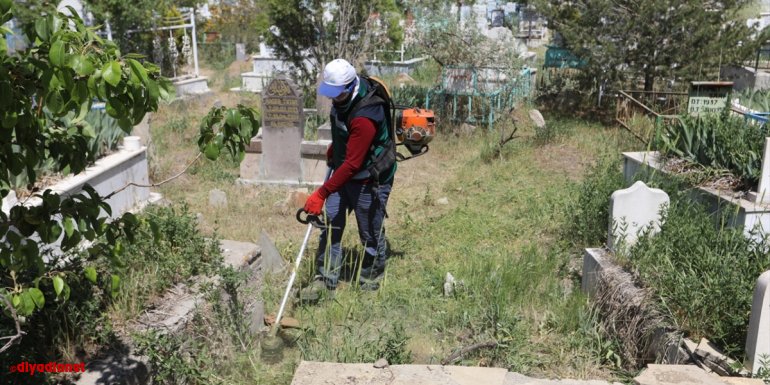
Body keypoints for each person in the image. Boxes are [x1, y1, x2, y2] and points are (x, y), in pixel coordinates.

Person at [301, 58, 396, 298]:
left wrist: (322, 192)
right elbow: (343, 128)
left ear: (351, 86)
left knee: (370, 232)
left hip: (369, 178)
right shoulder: (343, 98)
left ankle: (369, 280)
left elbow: (353, 164)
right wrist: (337, 146)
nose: (334, 99)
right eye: (331, 93)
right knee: (331, 225)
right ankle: (325, 279)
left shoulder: (366, 116)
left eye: (338, 94)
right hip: (345, 171)